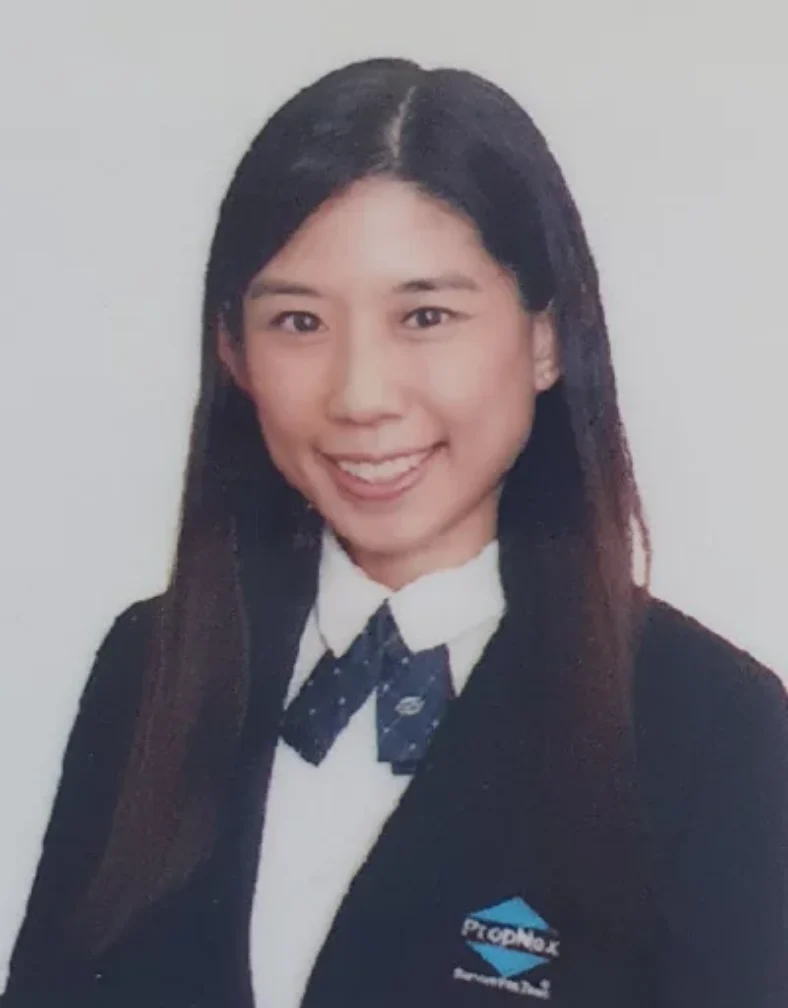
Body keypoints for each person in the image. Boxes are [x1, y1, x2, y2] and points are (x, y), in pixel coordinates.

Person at [2, 57, 786, 1008]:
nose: (360, 396)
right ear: (233, 351)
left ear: (546, 336)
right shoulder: (149, 669)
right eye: (299, 321)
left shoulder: (715, 728)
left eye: (425, 315)